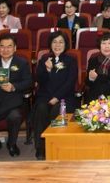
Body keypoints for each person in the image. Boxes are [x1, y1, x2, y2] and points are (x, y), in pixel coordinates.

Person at [32, 31, 78, 160]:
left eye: (61, 42)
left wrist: (56, 97)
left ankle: (57, 146)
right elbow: (39, 80)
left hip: (64, 97)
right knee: (41, 109)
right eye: (54, 42)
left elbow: (70, 83)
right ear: (50, 44)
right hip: (45, 96)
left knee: (56, 111)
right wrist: (47, 70)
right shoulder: (44, 59)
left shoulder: (71, 60)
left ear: (66, 44)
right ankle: (41, 148)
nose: (57, 45)